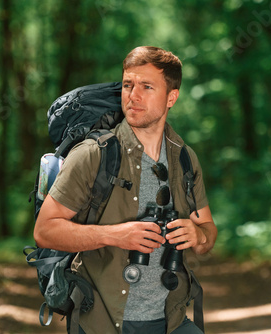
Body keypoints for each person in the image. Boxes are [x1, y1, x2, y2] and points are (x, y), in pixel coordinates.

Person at [34, 46, 217, 334]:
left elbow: (208, 232)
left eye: (147, 86)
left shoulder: (184, 158)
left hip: (171, 320)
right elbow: (45, 231)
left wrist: (198, 234)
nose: (133, 96)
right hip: (102, 321)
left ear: (172, 97)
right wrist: (117, 235)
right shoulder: (94, 154)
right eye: (128, 85)